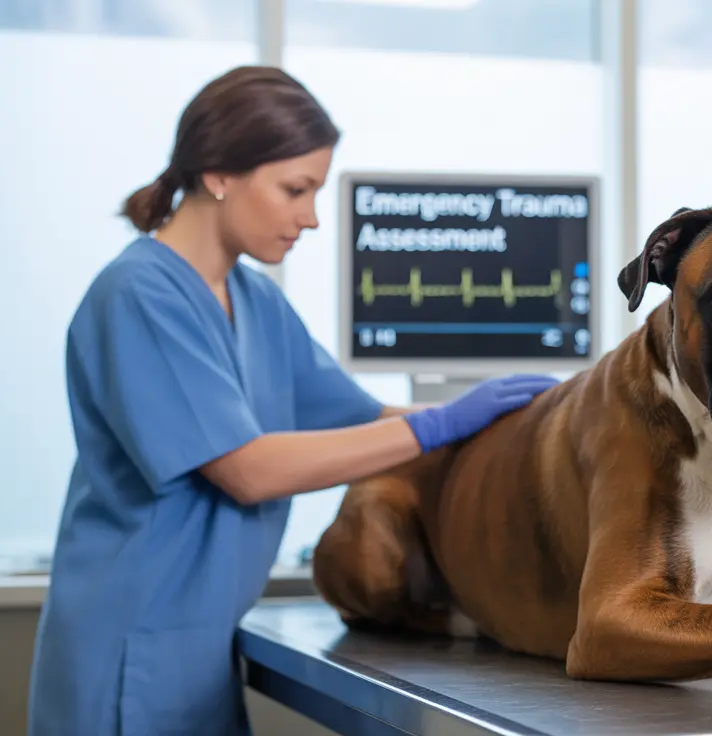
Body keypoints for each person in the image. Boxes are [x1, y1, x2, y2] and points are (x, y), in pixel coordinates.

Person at [27, 65, 559, 736]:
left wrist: (515, 422)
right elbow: (248, 470)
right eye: (294, 190)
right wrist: (439, 425)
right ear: (219, 172)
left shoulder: (258, 304)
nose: (309, 218)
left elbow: (366, 422)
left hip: (202, 654)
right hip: (130, 651)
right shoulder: (139, 296)